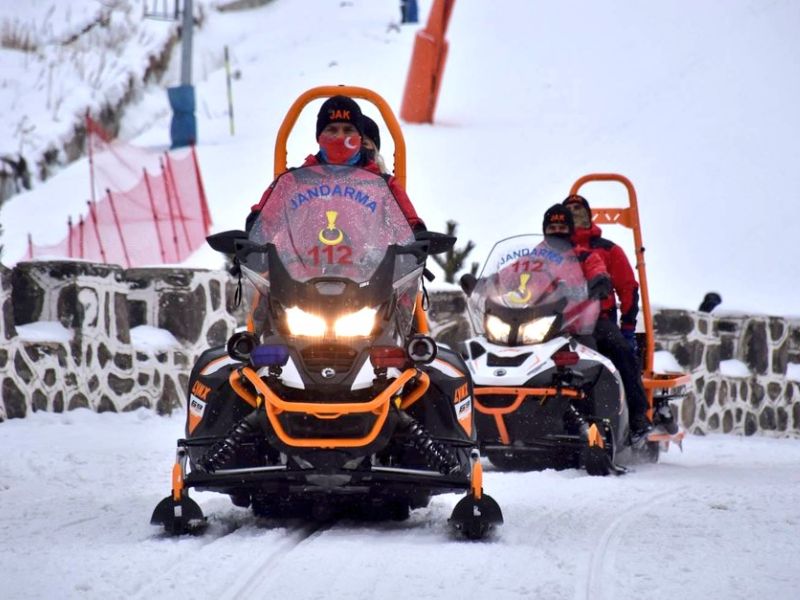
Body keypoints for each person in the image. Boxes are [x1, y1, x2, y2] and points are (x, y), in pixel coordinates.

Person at [247, 95, 423, 232]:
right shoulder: (293, 181)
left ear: (360, 138)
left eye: (348, 130)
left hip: (370, 273)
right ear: (319, 137)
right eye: (332, 130)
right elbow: (264, 221)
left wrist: (418, 235)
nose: (340, 137)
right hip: (300, 272)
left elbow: (407, 224)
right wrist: (254, 229)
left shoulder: (384, 185)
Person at [562, 194, 653, 443]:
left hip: (596, 318)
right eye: (569, 210)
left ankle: (637, 417)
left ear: (589, 215)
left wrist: (627, 325)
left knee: (620, 351)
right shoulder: (552, 252)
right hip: (556, 321)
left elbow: (627, 288)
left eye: (579, 209)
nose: (574, 214)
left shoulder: (607, 250)